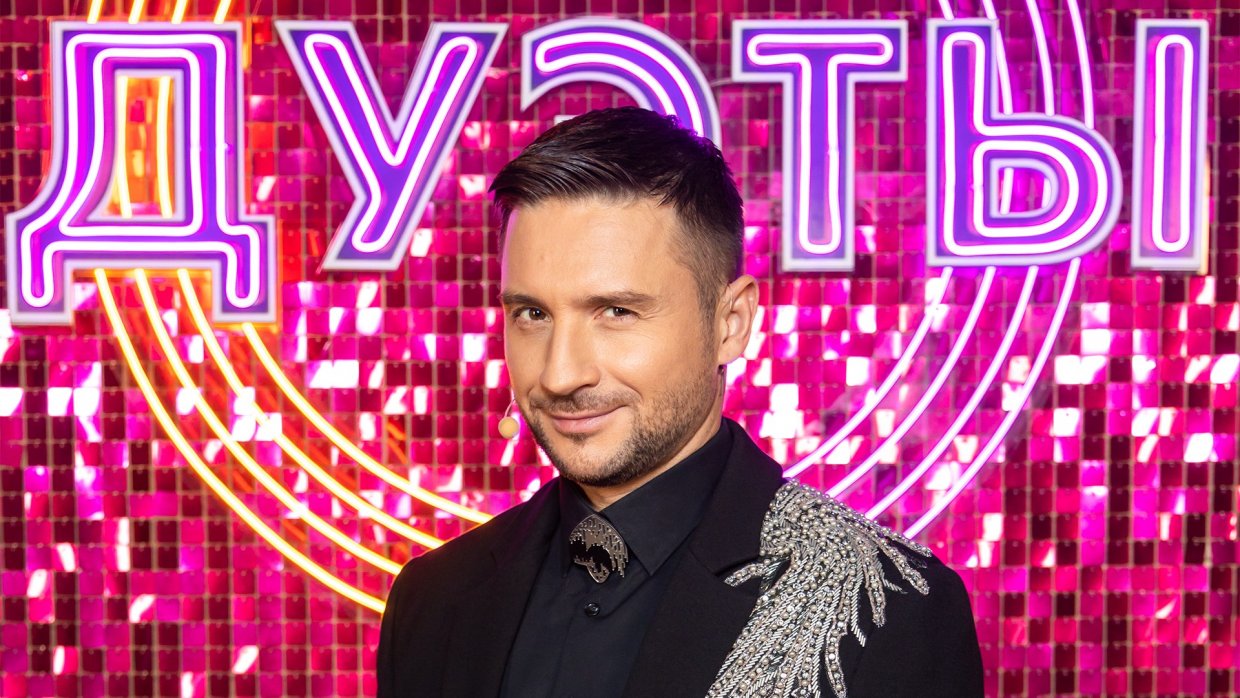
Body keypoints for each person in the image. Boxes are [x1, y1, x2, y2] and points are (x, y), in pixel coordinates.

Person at [376, 106, 984, 698]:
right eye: (532, 314)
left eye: (616, 311)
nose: (560, 374)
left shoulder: (890, 611)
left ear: (731, 323)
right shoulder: (434, 600)